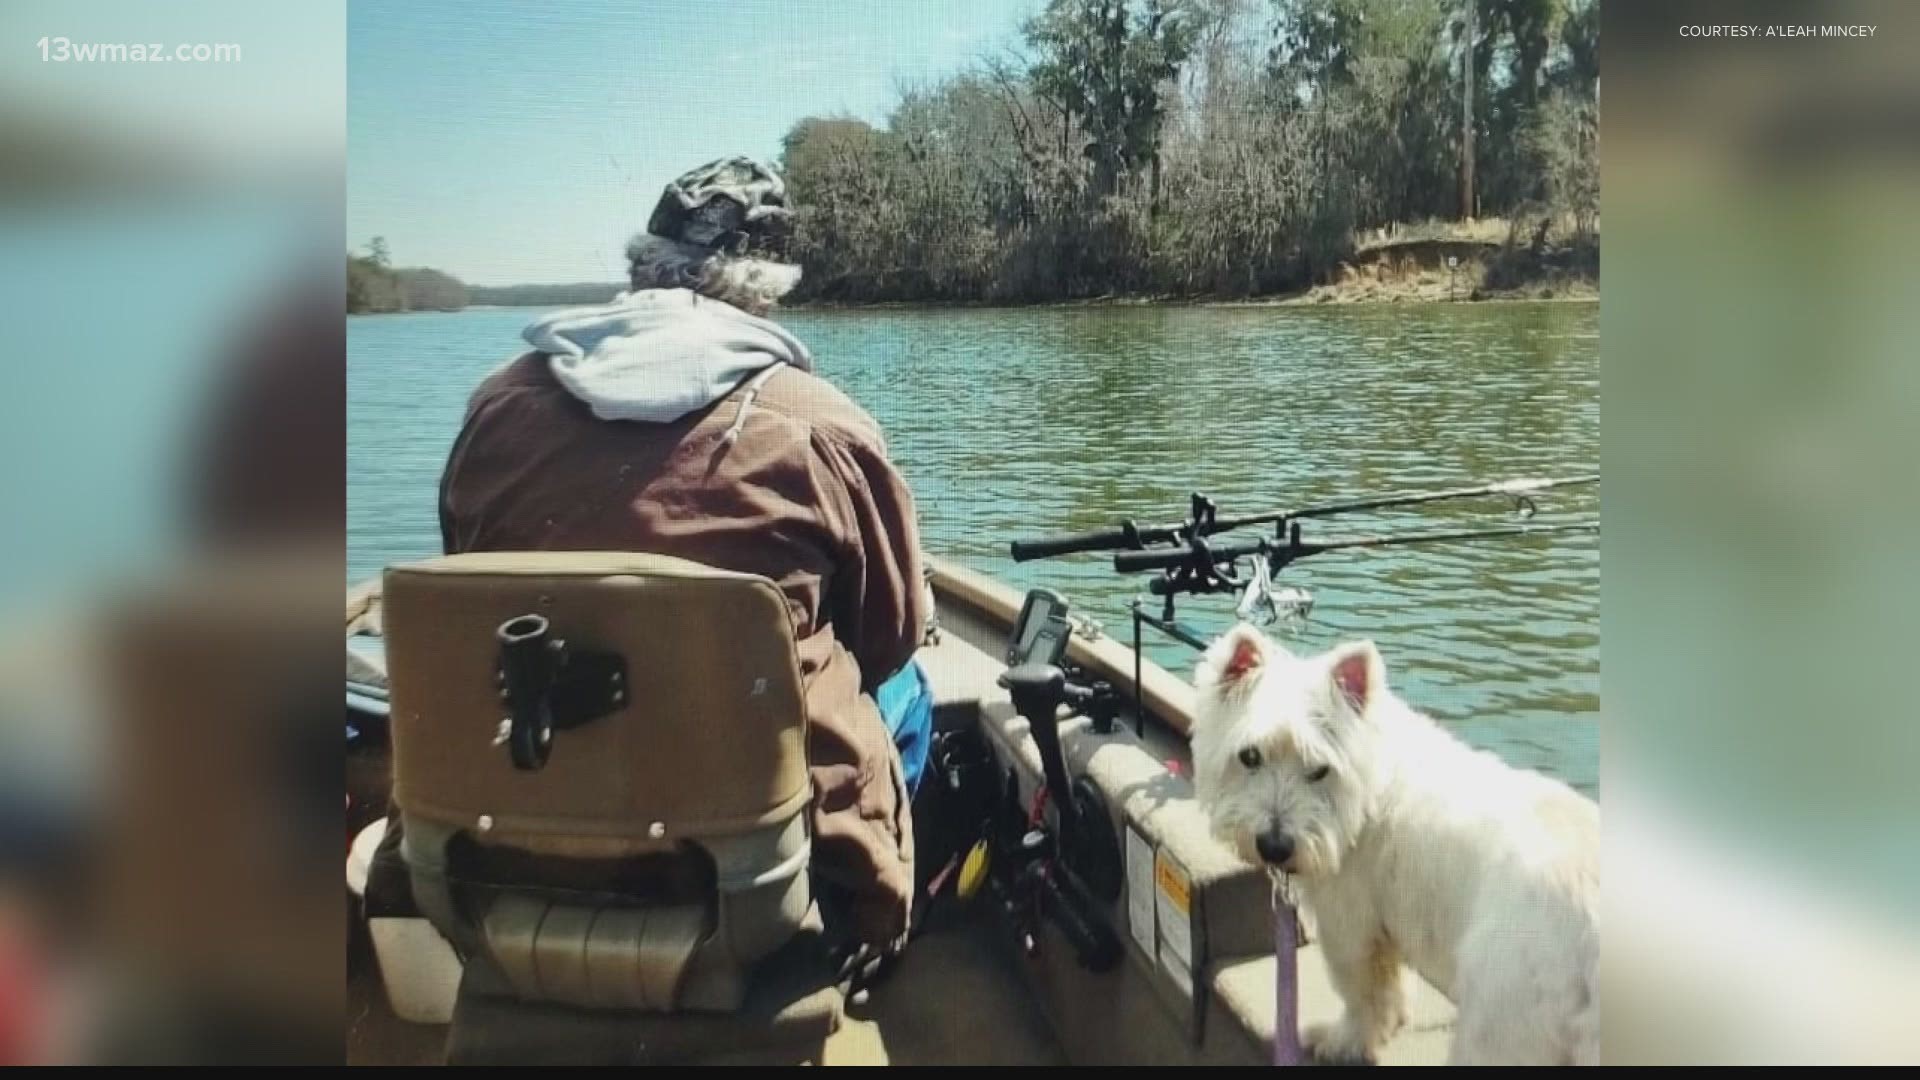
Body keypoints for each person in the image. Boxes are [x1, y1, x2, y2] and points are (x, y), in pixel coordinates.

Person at [437, 157, 932, 951]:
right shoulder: (821, 426)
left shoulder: (494, 407)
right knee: (909, 687)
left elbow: (465, 594)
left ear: (643, 267)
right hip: (755, 870)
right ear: (768, 286)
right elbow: (888, 640)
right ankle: (858, 921)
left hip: (518, 836)